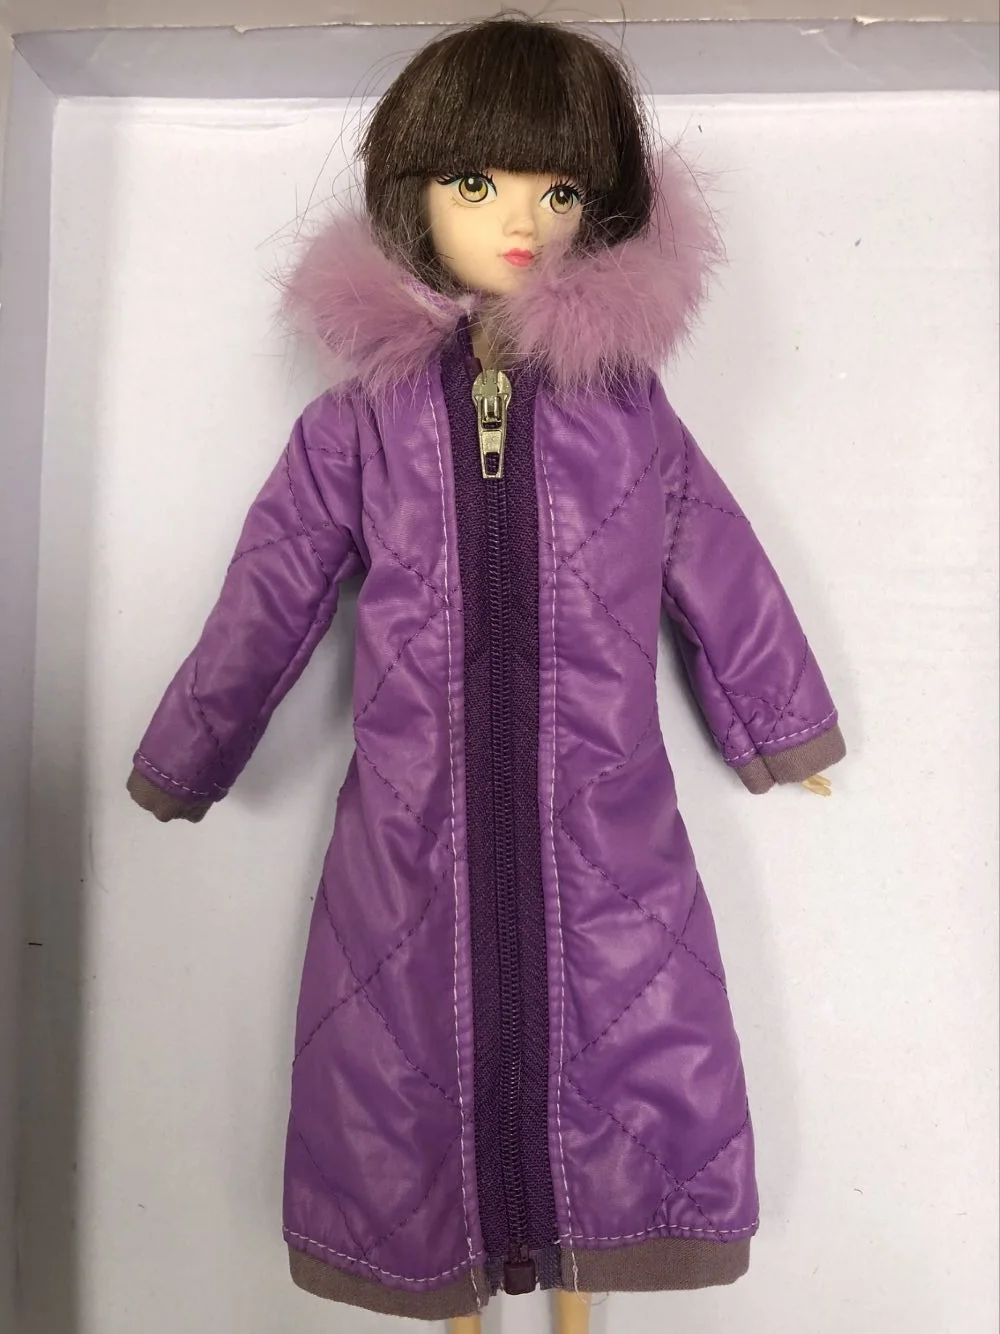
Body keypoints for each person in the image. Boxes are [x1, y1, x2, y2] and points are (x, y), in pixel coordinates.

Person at [127, 14, 846, 1328]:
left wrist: (784, 724)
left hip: (611, 827)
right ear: (412, 195)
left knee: (629, 1055)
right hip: (404, 839)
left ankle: (578, 1292)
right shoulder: (358, 423)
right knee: (406, 1072)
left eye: (557, 190)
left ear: (600, 207)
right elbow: (270, 590)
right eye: (477, 181)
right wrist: (188, 751)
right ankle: (453, 1294)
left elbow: (716, 557)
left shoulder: (625, 410)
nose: (520, 218)